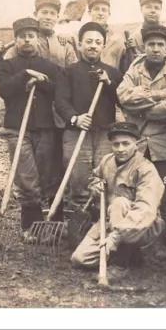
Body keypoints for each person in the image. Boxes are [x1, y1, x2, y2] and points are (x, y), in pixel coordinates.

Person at [117, 24, 166, 259]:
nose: (155, 49)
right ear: (144, 47)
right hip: (139, 145)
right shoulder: (134, 71)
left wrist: (142, 110)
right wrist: (157, 94)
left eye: (160, 44)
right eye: (151, 45)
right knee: (136, 194)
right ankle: (134, 242)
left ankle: (163, 242)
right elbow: (123, 96)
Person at [70, 121, 165, 278]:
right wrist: (94, 186)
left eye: (126, 144)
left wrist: (116, 237)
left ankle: (120, 264)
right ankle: (131, 254)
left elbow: (145, 209)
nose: (120, 149)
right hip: (110, 222)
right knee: (80, 259)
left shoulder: (146, 169)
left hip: (143, 225)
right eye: (116, 144)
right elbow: (95, 177)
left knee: (119, 203)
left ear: (136, 143)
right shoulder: (107, 161)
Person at [0, 18, 61, 237]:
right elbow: (4, 90)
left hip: (45, 129)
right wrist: (25, 75)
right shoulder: (8, 66)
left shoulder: (50, 67)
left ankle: (53, 225)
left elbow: (59, 92)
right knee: (26, 179)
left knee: (48, 176)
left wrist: (41, 82)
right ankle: (31, 227)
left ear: (38, 39)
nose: (26, 40)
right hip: (17, 129)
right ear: (16, 40)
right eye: (22, 36)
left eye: (31, 36)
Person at [55, 22, 123, 212]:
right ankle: (79, 225)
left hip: (105, 134)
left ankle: (101, 226)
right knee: (79, 180)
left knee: (104, 179)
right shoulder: (67, 72)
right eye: (89, 41)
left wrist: (109, 84)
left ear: (103, 45)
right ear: (79, 44)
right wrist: (75, 118)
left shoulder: (114, 73)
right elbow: (60, 102)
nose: (93, 45)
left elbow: (122, 101)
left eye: (98, 42)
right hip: (77, 133)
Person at [0, 0, 78, 69]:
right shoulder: (23, 43)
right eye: (44, 12)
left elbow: (73, 72)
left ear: (57, 17)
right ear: (36, 14)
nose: (48, 17)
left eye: (52, 14)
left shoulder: (64, 44)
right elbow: (5, 69)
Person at [85, 0, 128, 74]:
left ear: (109, 14)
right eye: (96, 9)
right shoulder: (81, 37)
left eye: (104, 10)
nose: (100, 13)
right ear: (89, 13)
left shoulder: (118, 40)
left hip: (111, 83)